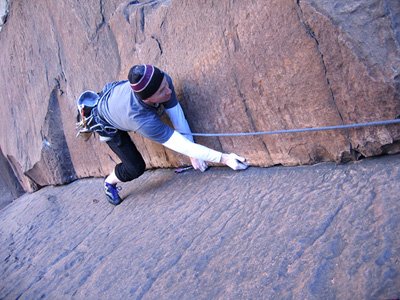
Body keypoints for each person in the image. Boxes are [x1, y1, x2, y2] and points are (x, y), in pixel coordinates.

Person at [77, 64, 248, 205]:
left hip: (115, 100)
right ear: (147, 99)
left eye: (166, 85)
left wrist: (193, 156)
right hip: (107, 124)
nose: (168, 92)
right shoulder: (143, 121)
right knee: (135, 168)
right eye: (161, 92)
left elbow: (178, 118)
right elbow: (179, 143)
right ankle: (109, 182)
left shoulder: (162, 80)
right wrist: (225, 159)